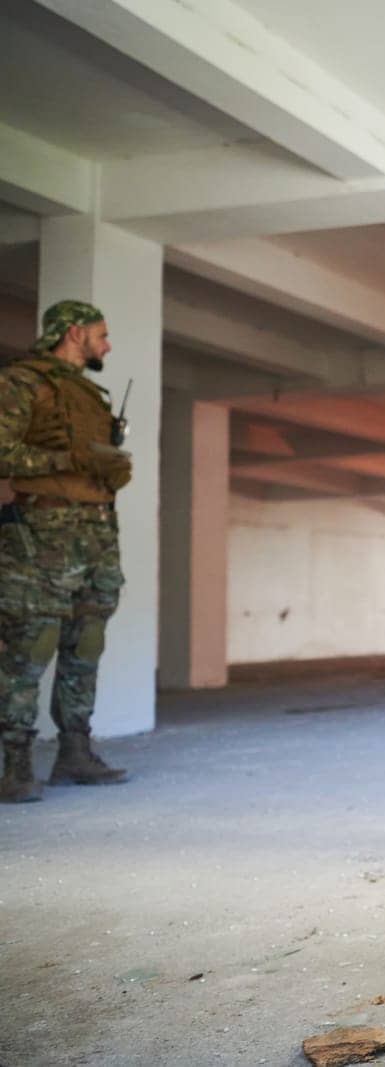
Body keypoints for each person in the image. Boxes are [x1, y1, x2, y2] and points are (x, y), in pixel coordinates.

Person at [0, 300, 133, 804]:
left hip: (96, 532)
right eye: (101, 334)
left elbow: (90, 464)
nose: (107, 344)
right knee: (30, 645)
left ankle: (74, 752)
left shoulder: (90, 396)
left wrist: (112, 467)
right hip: (42, 533)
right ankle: (14, 765)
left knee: (87, 642)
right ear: (74, 333)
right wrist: (67, 458)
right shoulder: (22, 381)